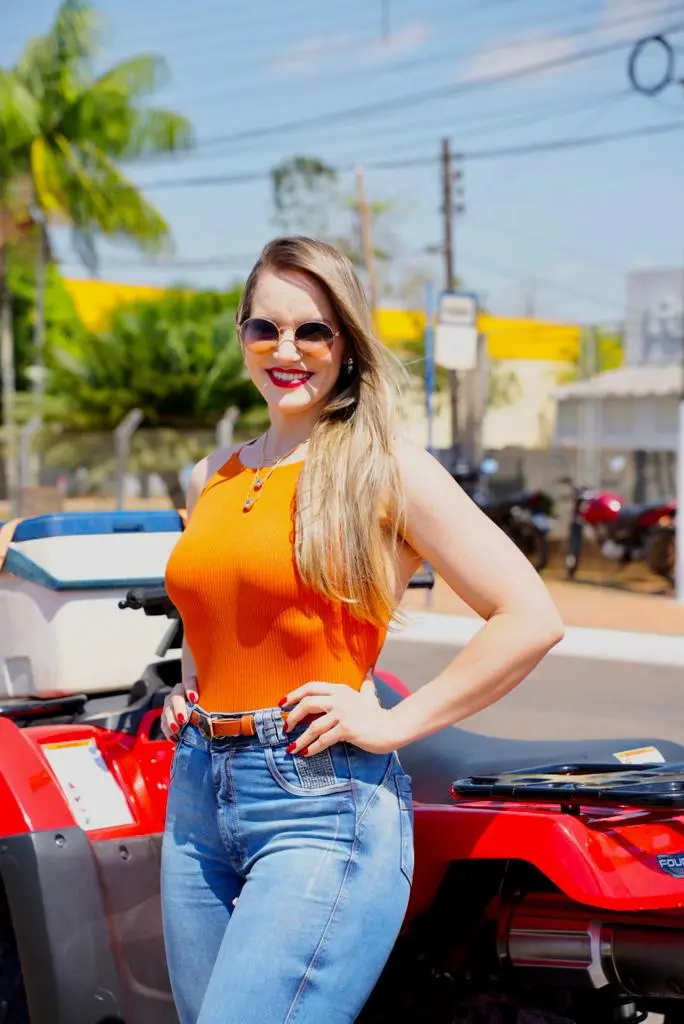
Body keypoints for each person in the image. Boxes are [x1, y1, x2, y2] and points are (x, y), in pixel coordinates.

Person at [161, 235, 564, 1024]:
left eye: (313, 331)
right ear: (242, 334)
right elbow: (213, 606)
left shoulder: (384, 468)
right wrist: (191, 687)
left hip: (318, 804)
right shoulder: (212, 474)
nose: (287, 351)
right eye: (265, 328)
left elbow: (529, 616)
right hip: (197, 797)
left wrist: (392, 722)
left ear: (346, 343)